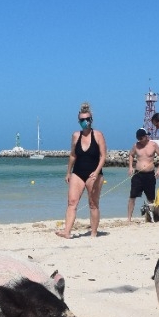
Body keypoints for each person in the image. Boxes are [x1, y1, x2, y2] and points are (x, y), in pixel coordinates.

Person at [56, 102, 106, 238]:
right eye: (82, 120)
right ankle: (67, 232)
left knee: (93, 204)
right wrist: (68, 172)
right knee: (72, 202)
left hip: (94, 174)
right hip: (77, 173)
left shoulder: (98, 135)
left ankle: (94, 233)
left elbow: (103, 156)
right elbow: (73, 155)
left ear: (91, 120)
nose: (85, 122)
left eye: (87, 119)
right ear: (79, 121)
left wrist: (96, 172)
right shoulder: (75, 136)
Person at [126, 128, 159, 222]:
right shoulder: (136, 145)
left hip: (150, 175)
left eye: (141, 139)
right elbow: (131, 155)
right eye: (138, 139)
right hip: (138, 174)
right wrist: (130, 167)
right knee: (132, 196)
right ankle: (129, 218)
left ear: (145, 137)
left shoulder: (153, 145)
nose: (140, 141)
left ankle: (151, 217)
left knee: (151, 198)